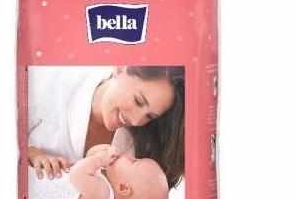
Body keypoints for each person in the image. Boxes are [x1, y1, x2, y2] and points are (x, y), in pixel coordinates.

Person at [27, 66, 185, 188]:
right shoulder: (47, 83)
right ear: (120, 69)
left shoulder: (141, 149)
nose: (136, 121)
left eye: (149, 116)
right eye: (138, 101)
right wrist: (32, 153)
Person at [29, 144, 169, 199]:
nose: (128, 155)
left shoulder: (103, 194)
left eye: (133, 161)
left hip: (33, 186)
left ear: (123, 188)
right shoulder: (102, 183)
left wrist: (101, 159)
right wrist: (102, 152)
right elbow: (89, 156)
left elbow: (78, 174)